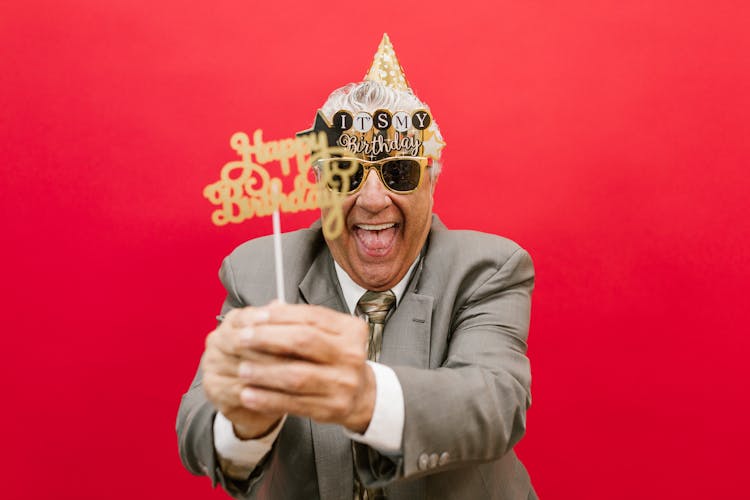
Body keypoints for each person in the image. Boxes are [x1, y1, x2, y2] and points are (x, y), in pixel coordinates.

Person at [177, 34, 537, 500]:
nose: (371, 200)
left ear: (432, 180)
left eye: (400, 172)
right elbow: (198, 429)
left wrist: (363, 394)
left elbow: (494, 403)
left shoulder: (486, 268)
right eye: (347, 172)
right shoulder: (260, 271)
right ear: (318, 181)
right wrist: (244, 419)